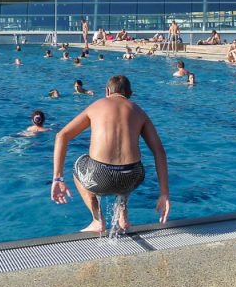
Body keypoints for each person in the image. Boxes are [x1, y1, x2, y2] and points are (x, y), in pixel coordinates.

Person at [51, 75, 171, 233]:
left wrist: (58, 178)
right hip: (131, 178)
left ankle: (97, 220)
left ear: (107, 91)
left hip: (100, 176)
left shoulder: (96, 105)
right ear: (130, 94)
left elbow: (62, 135)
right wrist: (164, 194)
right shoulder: (139, 112)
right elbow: (159, 152)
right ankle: (123, 218)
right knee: (132, 167)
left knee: (79, 164)